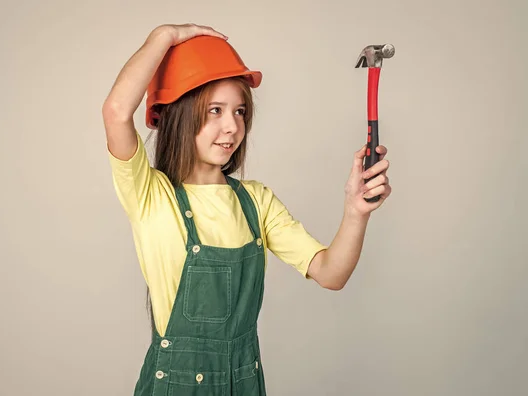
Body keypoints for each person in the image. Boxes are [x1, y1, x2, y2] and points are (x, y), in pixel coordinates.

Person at [102, 23, 391, 396]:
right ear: (178, 114)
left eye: (239, 111)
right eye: (214, 111)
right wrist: (164, 37)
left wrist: (356, 211)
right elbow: (115, 111)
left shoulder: (256, 202)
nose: (231, 127)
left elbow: (330, 273)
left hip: (244, 383)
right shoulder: (151, 195)